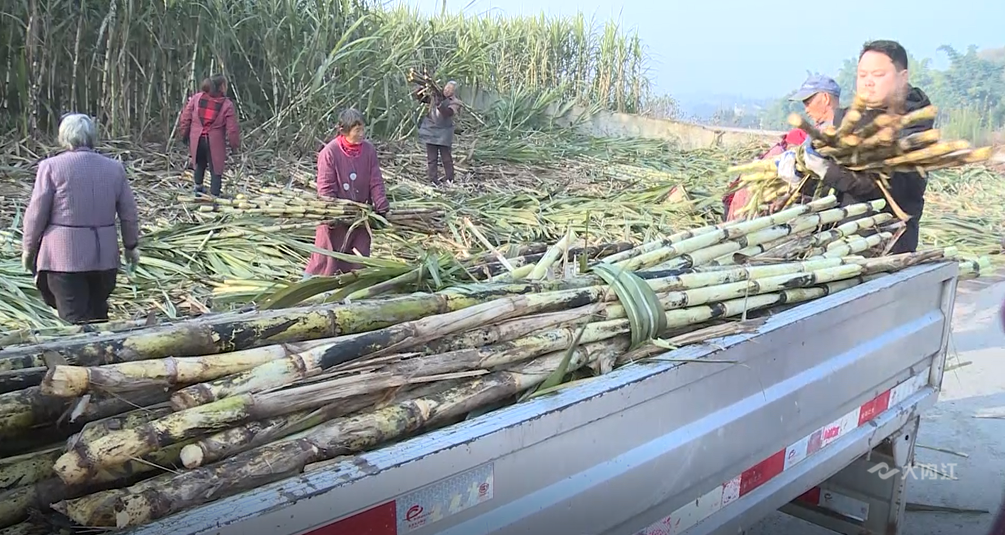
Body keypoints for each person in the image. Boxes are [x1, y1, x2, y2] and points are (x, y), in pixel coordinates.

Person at [801, 40, 934, 254]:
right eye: (862, 75)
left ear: (903, 77)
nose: (868, 82)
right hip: (841, 238)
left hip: (884, 246)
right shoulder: (847, 118)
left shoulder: (915, 128)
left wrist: (828, 170)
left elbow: (882, 184)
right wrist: (800, 169)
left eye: (878, 75)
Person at [21, 114, 140, 324]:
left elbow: (36, 213)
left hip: (64, 258)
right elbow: (129, 213)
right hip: (104, 259)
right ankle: (107, 353)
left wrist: (28, 249)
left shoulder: (51, 167)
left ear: (64, 137)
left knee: (74, 323)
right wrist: (131, 246)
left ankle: (84, 355)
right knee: (98, 315)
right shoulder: (114, 168)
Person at [304, 109, 391, 277]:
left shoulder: (368, 151)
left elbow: (375, 180)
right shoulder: (330, 152)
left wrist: (380, 203)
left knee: (357, 260)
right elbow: (326, 187)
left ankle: (352, 294)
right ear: (344, 131)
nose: (361, 134)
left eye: (362, 129)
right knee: (326, 261)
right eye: (357, 130)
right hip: (335, 216)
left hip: (360, 216)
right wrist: (334, 211)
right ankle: (310, 292)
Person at [723, 128, 808, 221]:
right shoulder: (781, 156)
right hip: (748, 194)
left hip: (753, 195)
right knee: (738, 221)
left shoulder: (786, 155)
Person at [178, 74, 241, 197]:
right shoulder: (226, 104)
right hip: (214, 141)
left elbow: (185, 118)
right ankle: (215, 195)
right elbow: (232, 129)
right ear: (222, 86)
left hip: (197, 139)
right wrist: (234, 145)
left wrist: (184, 134)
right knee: (216, 168)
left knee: (199, 163)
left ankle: (198, 188)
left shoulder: (197, 98)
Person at [417, 80, 462, 185]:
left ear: (453, 92)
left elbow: (448, 113)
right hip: (431, 130)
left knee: (446, 158)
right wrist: (422, 88)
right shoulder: (435, 95)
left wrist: (440, 104)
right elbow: (421, 98)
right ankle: (433, 180)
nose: (447, 90)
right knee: (432, 158)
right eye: (446, 88)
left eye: (450, 89)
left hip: (444, 133)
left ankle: (449, 179)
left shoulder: (455, 102)